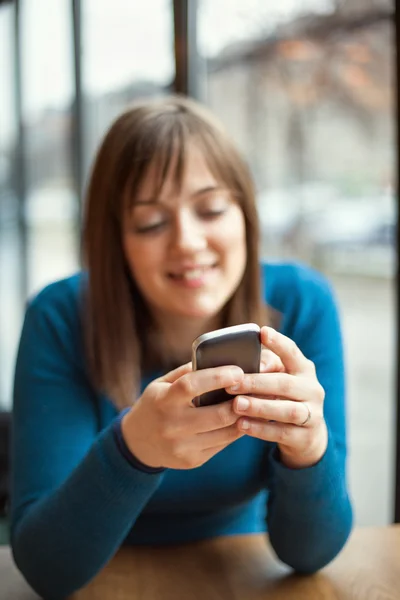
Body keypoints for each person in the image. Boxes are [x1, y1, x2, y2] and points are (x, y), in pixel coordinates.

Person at [10, 95, 353, 599]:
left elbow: (310, 555)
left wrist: (309, 451)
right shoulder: (60, 317)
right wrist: (134, 450)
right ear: (115, 240)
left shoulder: (302, 303)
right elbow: (47, 571)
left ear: (245, 216)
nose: (188, 242)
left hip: (241, 574)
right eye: (151, 222)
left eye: (211, 209)